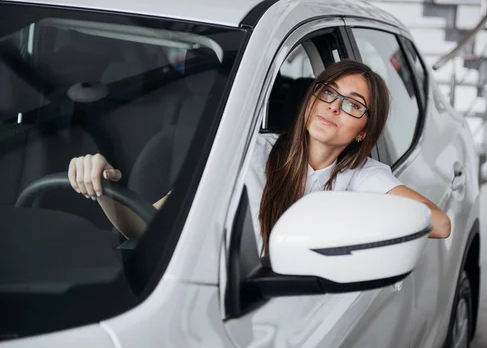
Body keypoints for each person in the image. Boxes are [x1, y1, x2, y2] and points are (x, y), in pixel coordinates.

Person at [68, 59, 451, 247]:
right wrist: (101, 186)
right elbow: (146, 227)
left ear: (363, 129)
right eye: (328, 93)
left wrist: (350, 219)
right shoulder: (247, 151)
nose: (333, 107)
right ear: (312, 99)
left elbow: (439, 223)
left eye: (353, 104)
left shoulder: (363, 175)